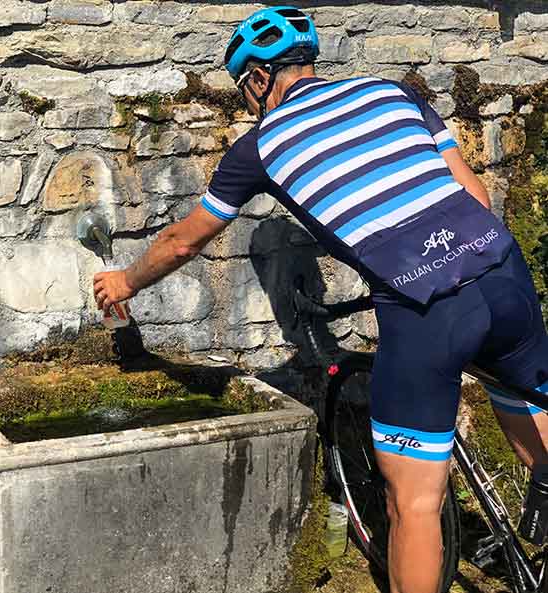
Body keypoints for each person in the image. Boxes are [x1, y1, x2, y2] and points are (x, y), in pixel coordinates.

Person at [93, 7, 548, 593]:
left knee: (413, 503)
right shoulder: (393, 93)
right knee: (529, 410)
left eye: (244, 90)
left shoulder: (259, 147)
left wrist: (125, 283)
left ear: (258, 79)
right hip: (501, 269)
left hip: (427, 308)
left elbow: (182, 243)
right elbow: (473, 191)